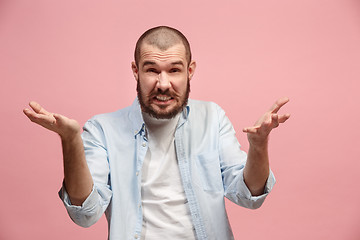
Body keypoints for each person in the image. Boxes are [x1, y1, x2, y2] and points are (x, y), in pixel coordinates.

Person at [23, 26, 290, 240]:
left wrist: (258, 146)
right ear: (136, 71)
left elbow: (249, 195)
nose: (163, 84)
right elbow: (86, 214)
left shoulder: (212, 118)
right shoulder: (102, 130)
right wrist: (70, 141)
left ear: (190, 71)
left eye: (174, 70)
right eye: (152, 70)